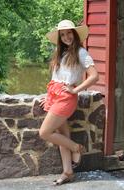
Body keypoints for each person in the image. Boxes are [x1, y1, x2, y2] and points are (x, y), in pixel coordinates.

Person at [39, 19, 99, 185]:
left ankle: (76, 147)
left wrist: (75, 90)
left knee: (44, 132)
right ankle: (68, 172)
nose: (66, 37)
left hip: (66, 98)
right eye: (63, 34)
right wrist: (49, 95)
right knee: (63, 134)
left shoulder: (81, 52)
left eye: (69, 33)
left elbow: (95, 76)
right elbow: (56, 78)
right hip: (54, 95)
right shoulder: (61, 52)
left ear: (75, 34)